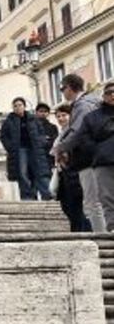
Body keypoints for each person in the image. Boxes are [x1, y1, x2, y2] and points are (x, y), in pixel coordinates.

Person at [52, 73, 105, 230]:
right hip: (102, 155)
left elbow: (77, 132)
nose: (63, 93)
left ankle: (104, 239)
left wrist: (60, 148)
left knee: (92, 203)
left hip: (88, 157)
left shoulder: (82, 105)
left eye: (62, 89)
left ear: (69, 87)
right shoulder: (97, 102)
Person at [62, 80, 114, 229]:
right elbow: (84, 138)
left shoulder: (84, 108)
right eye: (109, 93)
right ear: (103, 96)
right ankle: (111, 230)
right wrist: (100, 150)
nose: (113, 96)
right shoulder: (92, 117)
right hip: (103, 161)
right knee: (107, 198)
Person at [54, 103, 92, 231]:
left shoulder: (75, 132)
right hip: (64, 175)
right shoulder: (61, 134)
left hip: (75, 173)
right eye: (58, 116)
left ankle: (84, 233)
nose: (61, 118)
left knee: (78, 207)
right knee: (68, 207)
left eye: (64, 115)